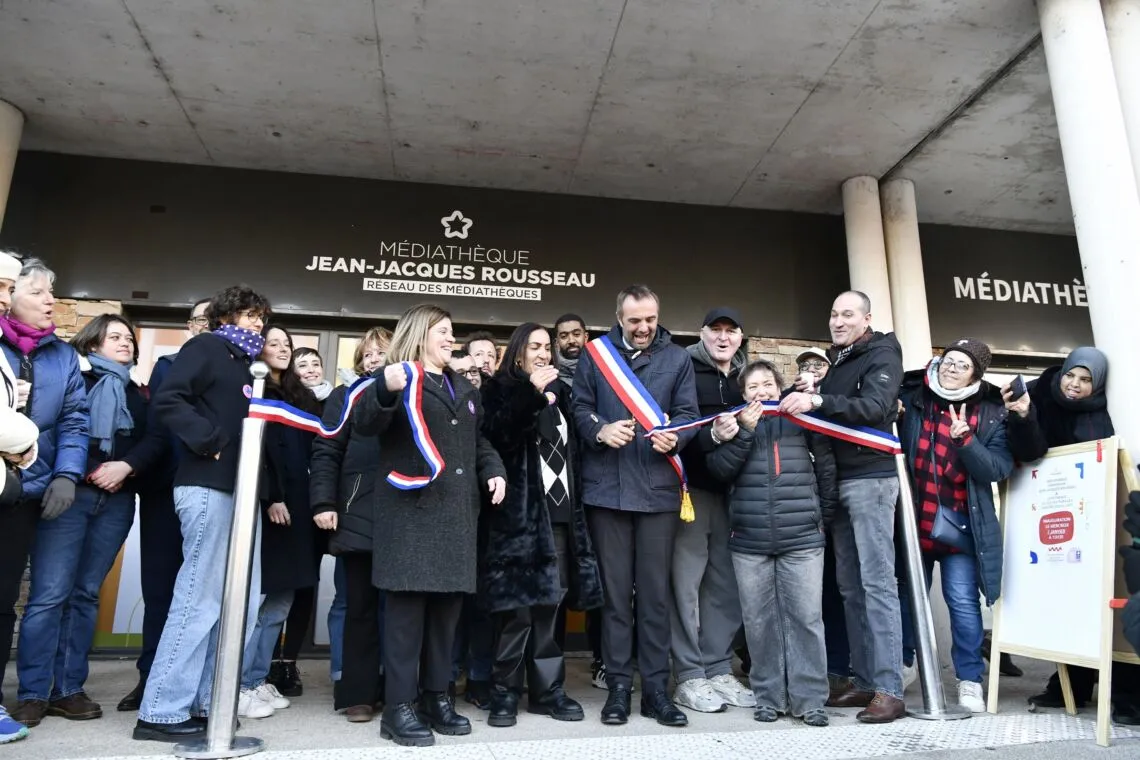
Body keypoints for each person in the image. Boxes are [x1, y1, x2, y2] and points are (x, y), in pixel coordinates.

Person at [352, 304, 507, 747]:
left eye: (451, 331)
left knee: (446, 618)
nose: (450, 338)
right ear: (420, 334)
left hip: (457, 516)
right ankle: (399, 707)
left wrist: (493, 470)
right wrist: (383, 387)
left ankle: (437, 697)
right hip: (411, 517)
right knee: (405, 620)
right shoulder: (397, 378)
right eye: (443, 331)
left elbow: (479, 443)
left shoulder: (464, 386)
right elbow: (365, 423)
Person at [133, 285, 271, 742]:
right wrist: (208, 439)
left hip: (244, 490)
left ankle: (208, 703)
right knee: (200, 597)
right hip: (208, 486)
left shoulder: (249, 364)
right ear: (226, 315)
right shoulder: (206, 347)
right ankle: (161, 709)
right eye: (249, 315)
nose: (257, 323)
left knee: (243, 603)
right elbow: (170, 398)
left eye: (261, 317)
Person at [572, 284, 699, 727]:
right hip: (607, 492)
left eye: (649, 319)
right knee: (613, 599)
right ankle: (619, 688)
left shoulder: (678, 358)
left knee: (654, 598)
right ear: (619, 317)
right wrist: (600, 430)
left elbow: (688, 414)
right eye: (634, 320)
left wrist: (676, 437)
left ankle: (657, 693)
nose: (643, 328)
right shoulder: (595, 354)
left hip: (658, 493)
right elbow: (579, 408)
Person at [779, 290, 905, 723]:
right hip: (841, 484)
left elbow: (873, 407)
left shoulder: (882, 352)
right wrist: (811, 393)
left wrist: (817, 401)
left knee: (877, 586)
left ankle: (890, 688)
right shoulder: (838, 361)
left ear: (867, 318)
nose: (837, 320)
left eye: (847, 314)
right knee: (851, 587)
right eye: (833, 313)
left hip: (872, 480)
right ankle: (866, 681)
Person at [1003, 347, 1140, 724]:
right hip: (1060, 518)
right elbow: (1032, 451)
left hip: (1109, 519)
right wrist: (1024, 416)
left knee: (1117, 603)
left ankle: (1127, 694)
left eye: (1085, 380)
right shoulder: (1040, 396)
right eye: (1070, 376)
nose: (1074, 386)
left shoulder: (1107, 409)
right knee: (1069, 601)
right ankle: (1070, 686)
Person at [479, 323, 603, 727]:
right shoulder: (497, 389)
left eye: (547, 348)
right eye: (535, 347)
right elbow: (499, 436)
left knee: (550, 611)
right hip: (518, 519)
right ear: (517, 353)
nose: (544, 353)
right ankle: (504, 694)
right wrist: (529, 392)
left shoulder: (563, 394)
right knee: (515, 612)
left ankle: (548, 692)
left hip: (561, 516)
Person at [708, 360, 837, 726]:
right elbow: (720, 472)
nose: (761, 392)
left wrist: (819, 520)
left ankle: (810, 699)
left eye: (767, 384)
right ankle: (768, 696)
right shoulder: (731, 424)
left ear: (779, 388)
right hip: (749, 541)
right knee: (759, 621)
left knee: (806, 620)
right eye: (752, 387)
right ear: (743, 394)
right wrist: (744, 433)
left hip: (803, 540)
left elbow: (826, 471)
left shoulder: (802, 420)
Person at [897, 339, 1012, 713]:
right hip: (915, 520)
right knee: (906, 600)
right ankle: (903, 665)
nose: (950, 368)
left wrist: (966, 440)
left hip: (962, 528)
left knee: (963, 603)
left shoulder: (991, 412)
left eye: (961, 365)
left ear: (975, 374)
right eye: (948, 360)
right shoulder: (914, 396)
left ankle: (968, 679)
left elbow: (996, 469)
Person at [1, 258, 90, 730]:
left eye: (51, 293)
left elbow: (76, 419)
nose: (49, 301)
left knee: (50, 595)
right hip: (6, 488)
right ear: (10, 296)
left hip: (53, 490)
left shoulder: (62, 355)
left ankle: (36, 694)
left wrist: (67, 475)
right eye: (38, 293)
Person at [118, 298, 210, 713]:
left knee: (205, 595)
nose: (205, 325)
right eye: (199, 319)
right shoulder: (168, 366)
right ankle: (150, 678)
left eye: (214, 319)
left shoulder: (242, 370)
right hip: (166, 495)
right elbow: (159, 430)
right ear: (190, 326)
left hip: (217, 494)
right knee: (161, 590)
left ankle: (202, 689)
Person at [670, 307, 754, 713]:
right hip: (690, 493)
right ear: (701, 334)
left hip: (737, 495)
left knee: (725, 587)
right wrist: (708, 436)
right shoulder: (682, 367)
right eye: (715, 330)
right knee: (684, 587)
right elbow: (670, 426)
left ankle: (718, 667)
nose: (723, 338)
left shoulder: (747, 379)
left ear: (740, 338)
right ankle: (688, 674)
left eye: (731, 331)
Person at [238, 325, 322, 719]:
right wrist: (271, 498)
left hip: (300, 510)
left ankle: (256, 679)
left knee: (283, 600)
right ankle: (237, 684)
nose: (283, 350)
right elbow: (257, 452)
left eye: (287, 344)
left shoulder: (300, 396)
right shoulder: (251, 390)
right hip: (268, 508)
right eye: (274, 344)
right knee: (255, 600)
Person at [311, 327, 391, 722]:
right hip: (357, 513)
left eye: (382, 352)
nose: (374, 359)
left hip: (404, 517)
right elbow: (326, 449)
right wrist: (325, 501)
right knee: (357, 606)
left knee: (396, 612)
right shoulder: (345, 397)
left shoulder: (412, 394)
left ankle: (394, 690)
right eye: (368, 354)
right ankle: (357, 693)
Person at [265, 345, 332, 699]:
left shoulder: (334, 402)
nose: (309, 369)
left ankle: (288, 662)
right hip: (289, 504)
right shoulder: (288, 399)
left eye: (314, 364)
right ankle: (269, 659)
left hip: (319, 507)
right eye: (301, 364)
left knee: (307, 584)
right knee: (282, 583)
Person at [0, 250, 39, 745]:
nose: (5, 297)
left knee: (1, 601)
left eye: (10, 288)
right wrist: (25, 436)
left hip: (9, 489)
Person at [553, 313, 586, 387]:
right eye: (564, 336)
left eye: (576, 334)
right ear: (556, 342)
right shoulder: (549, 377)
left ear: (586, 337)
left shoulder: (600, 371)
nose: (571, 341)